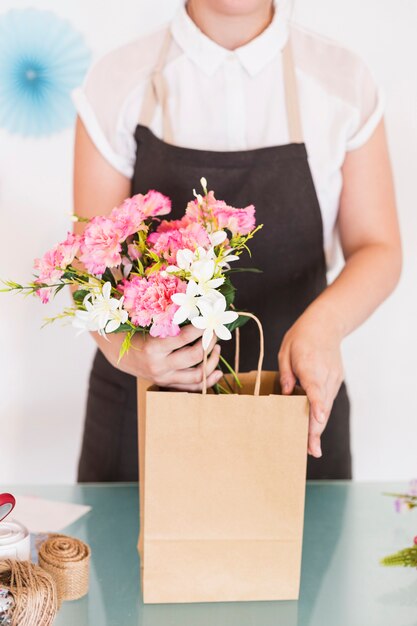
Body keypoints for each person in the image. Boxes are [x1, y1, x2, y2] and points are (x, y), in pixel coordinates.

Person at [72, 0, 401, 482]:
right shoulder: (118, 80)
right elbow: (89, 263)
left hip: (295, 400)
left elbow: (379, 246)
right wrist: (126, 346)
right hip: (143, 408)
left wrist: (325, 327)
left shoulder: (343, 81)